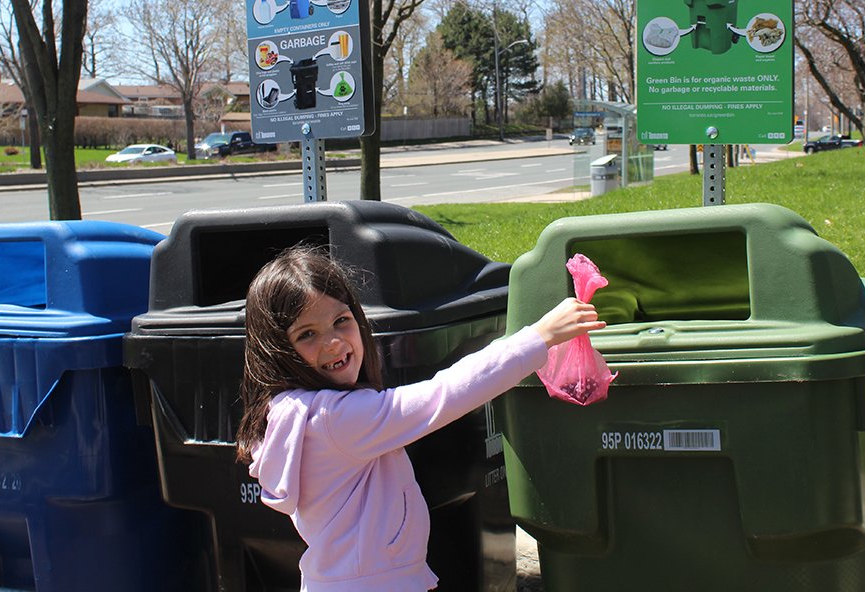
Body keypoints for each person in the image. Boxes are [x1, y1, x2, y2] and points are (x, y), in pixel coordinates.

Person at [236, 245, 604, 592]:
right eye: (308, 334)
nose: (332, 342)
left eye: (341, 321)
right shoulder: (336, 421)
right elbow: (442, 395)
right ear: (278, 351)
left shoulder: (294, 412)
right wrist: (539, 337)